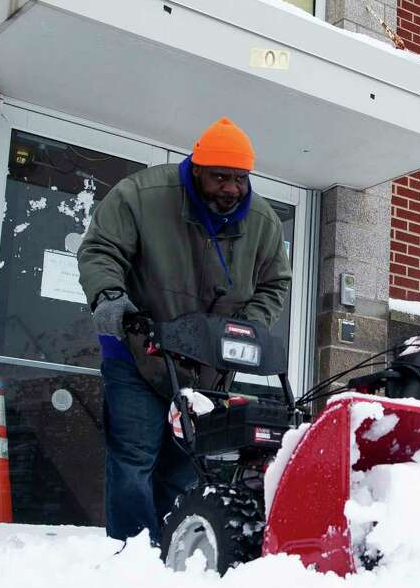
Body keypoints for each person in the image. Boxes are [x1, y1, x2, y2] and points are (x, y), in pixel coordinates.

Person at [78, 118, 291, 544]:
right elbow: (102, 248)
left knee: (183, 463)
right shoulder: (142, 196)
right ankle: (132, 550)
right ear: (196, 168)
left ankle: (170, 549)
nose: (231, 188)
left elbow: (276, 282)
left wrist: (246, 328)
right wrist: (110, 296)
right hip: (140, 351)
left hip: (206, 369)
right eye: (220, 177)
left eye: (240, 179)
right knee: (134, 456)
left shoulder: (263, 222)